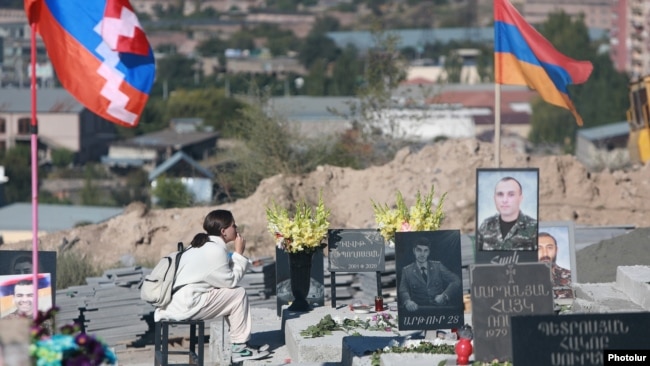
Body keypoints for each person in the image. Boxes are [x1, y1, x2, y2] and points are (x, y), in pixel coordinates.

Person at [153, 209, 268, 363]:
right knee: (238, 294)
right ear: (223, 231)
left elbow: (221, 279)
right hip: (187, 305)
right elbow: (231, 282)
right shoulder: (215, 250)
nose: (237, 228)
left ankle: (240, 344)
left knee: (231, 295)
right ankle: (240, 348)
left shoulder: (200, 245)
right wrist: (239, 253)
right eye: (234, 225)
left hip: (176, 303)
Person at [399, 238, 461, 311]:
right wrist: (407, 301)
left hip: (440, 309)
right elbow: (403, 289)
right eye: (419, 250)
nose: (422, 254)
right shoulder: (407, 271)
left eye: (425, 251)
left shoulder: (437, 266)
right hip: (419, 310)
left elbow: (456, 280)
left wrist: (444, 295)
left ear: (429, 252)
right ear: (414, 251)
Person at [477, 176, 537, 251]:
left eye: (511, 194)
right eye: (500, 194)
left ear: (520, 198)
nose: (505, 200)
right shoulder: (485, 225)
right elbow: (476, 259)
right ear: (494, 198)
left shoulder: (534, 227)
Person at [538, 232, 573, 299]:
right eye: (539, 248)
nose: (545, 253)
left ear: (556, 250)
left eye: (549, 248)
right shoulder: (522, 280)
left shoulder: (571, 277)